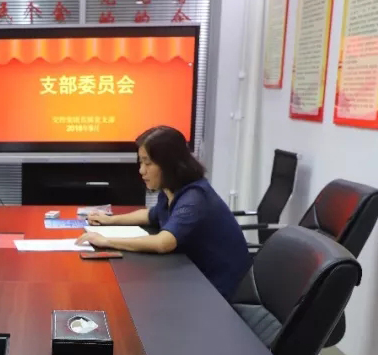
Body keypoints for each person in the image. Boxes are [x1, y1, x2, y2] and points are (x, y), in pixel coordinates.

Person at [78, 126, 251, 298]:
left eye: (148, 163)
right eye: (141, 162)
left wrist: (106, 241)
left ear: (169, 164)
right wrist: (110, 220)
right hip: (193, 277)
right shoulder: (171, 189)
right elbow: (151, 215)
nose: (141, 170)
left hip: (219, 292)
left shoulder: (194, 198)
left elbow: (163, 243)